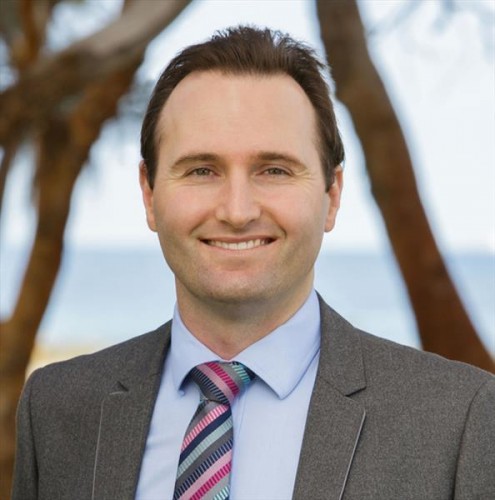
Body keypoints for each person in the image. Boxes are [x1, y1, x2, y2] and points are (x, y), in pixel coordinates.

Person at [12, 26, 494, 500]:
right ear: (149, 194)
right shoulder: (56, 408)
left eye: (275, 170)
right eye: (202, 170)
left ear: (332, 196)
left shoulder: (459, 421)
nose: (237, 211)